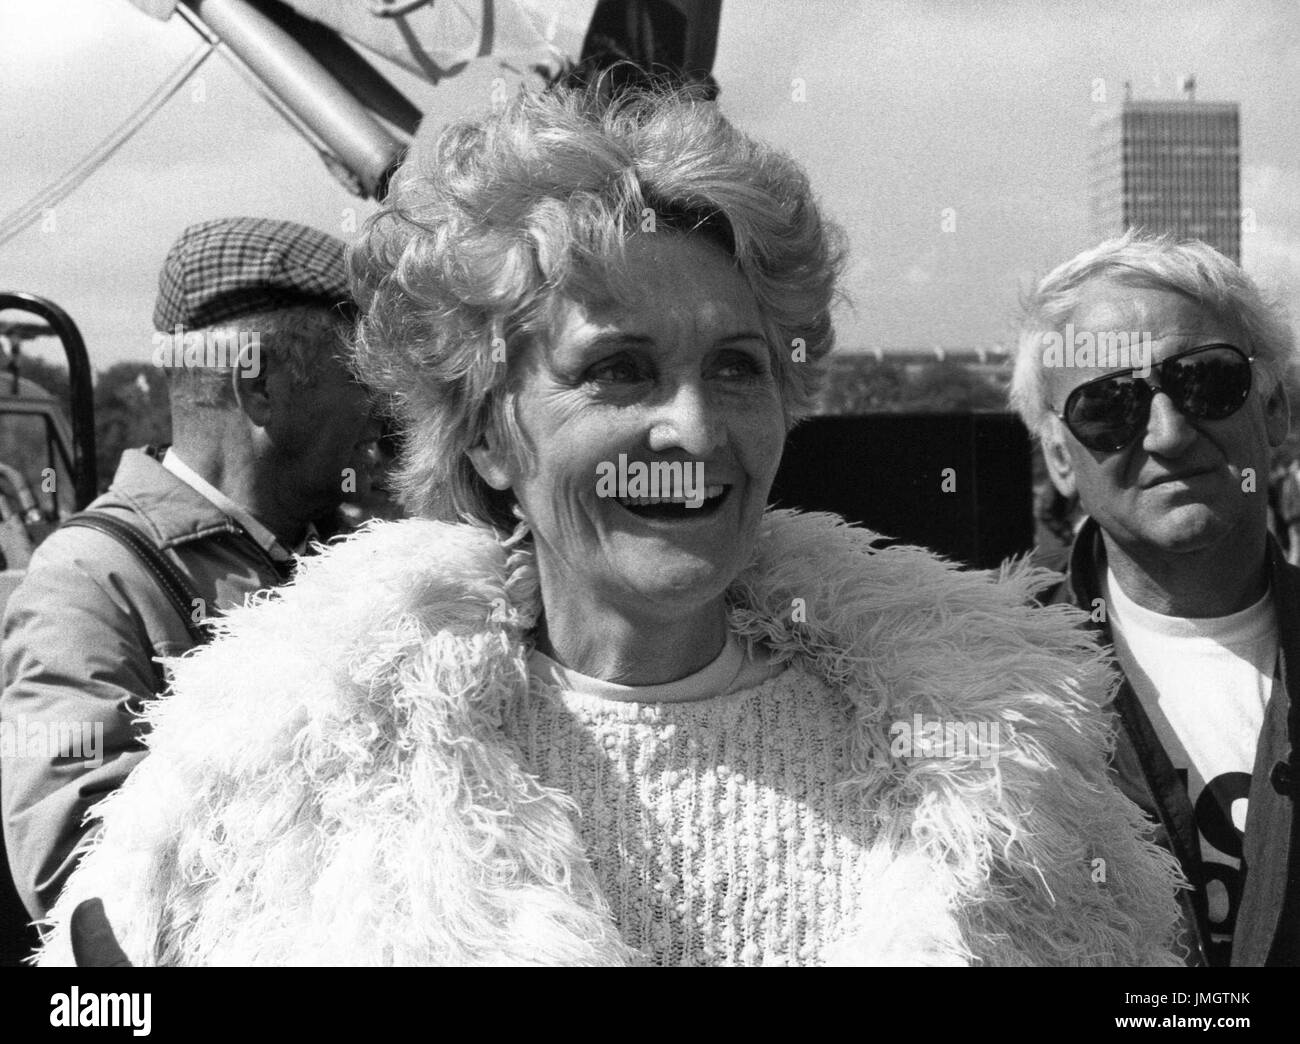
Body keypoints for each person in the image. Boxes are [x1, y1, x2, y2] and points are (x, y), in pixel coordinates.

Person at [37, 83, 1181, 967]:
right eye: (619, 371)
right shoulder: (280, 764)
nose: (691, 429)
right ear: (485, 431)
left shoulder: (1007, 774)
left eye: (734, 367)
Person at [1, 216, 376, 921]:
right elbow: (82, 880)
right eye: (358, 375)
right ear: (257, 384)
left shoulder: (353, 551)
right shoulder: (91, 582)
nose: (382, 408)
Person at [1011, 231, 1300, 966]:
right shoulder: (984, 689)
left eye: (1206, 381)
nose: (1169, 433)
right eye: (1110, 408)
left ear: (1274, 413)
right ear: (1058, 459)